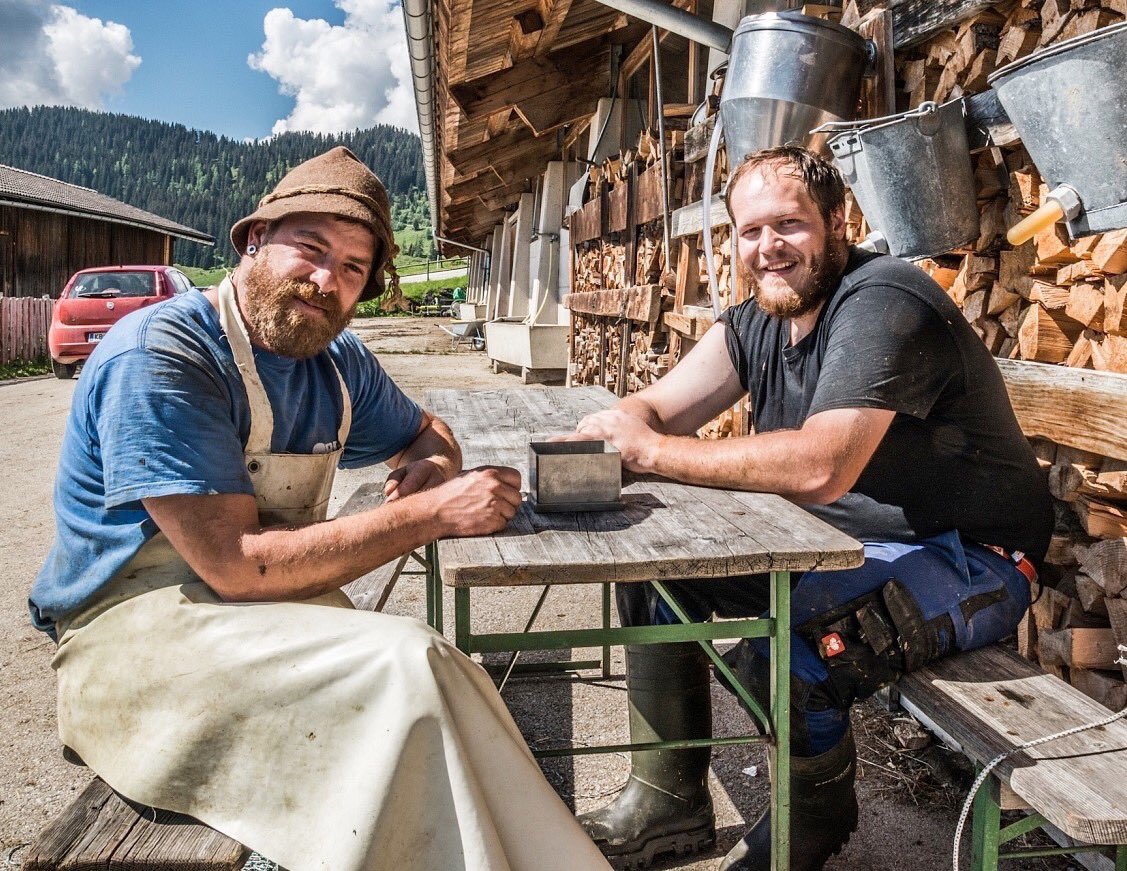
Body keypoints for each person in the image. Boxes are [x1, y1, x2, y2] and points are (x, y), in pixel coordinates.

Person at [30, 147, 610, 871]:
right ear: (252, 241)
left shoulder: (336, 361)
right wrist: (430, 514)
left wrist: (429, 468)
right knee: (407, 665)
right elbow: (237, 567)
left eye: (352, 268)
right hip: (135, 643)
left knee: (442, 675)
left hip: (265, 619)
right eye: (310, 250)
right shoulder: (162, 355)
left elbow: (428, 432)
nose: (325, 281)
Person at [570, 145, 1053, 871]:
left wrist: (644, 451)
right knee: (654, 574)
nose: (767, 247)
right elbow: (659, 405)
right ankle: (665, 802)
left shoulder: (882, 301)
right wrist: (622, 424)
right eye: (749, 230)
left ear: (836, 221)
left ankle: (808, 826)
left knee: (793, 650)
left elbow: (820, 466)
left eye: (788, 225)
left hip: (969, 557)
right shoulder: (757, 320)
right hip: (831, 547)